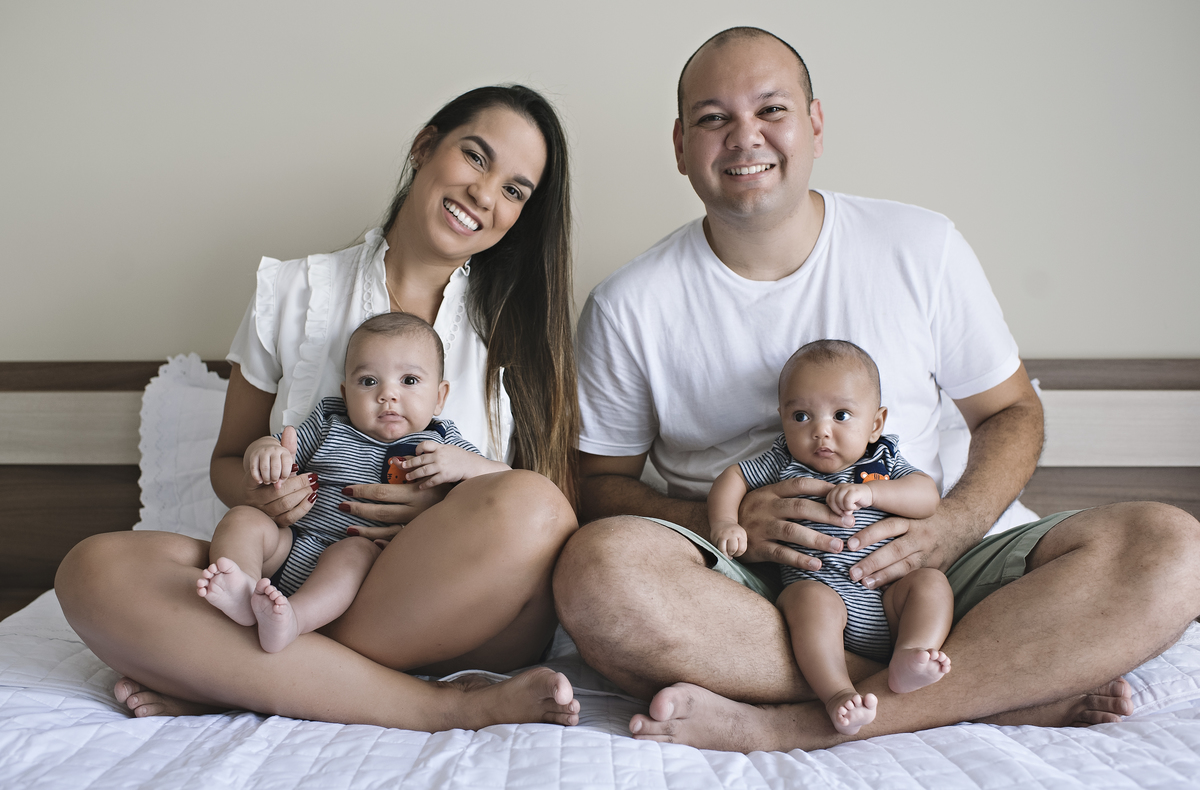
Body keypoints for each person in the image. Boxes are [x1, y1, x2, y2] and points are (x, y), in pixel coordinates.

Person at [554, 27, 1200, 752]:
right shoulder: (629, 304)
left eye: (771, 109)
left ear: (814, 123)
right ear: (681, 145)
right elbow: (597, 485)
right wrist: (719, 523)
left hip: (938, 570)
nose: (745, 136)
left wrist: (953, 524)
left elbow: (1011, 411)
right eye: (713, 118)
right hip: (751, 593)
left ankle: (796, 724)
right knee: (595, 572)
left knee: (1171, 546)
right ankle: (992, 690)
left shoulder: (920, 245)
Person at [56, 84, 584, 731]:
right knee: (94, 571)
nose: (484, 193)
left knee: (537, 508)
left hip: (444, 605)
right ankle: (391, 694)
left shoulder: (520, 331)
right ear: (424, 148)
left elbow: (534, 511)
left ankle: (236, 671)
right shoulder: (292, 290)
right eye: (476, 157)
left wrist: (446, 503)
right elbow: (229, 460)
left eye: (514, 190)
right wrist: (261, 494)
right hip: (298, 567)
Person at [198, 312, 510, 654]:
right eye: (368, 381)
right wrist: (264, 453)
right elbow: (274, 445)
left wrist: (470, 465)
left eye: (408, 380)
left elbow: (505, 485)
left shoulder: (442, 443)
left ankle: (293, 620)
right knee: (243, 518)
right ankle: (241, 589)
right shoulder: (329, 423)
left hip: (360, 572)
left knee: (354, 552)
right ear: (346, 394)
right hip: (290, 544)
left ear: (439, 396)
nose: (388, 394)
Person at [708, 340, 949, 736]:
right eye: (801, 416)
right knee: (805, 599)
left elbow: (926, 495)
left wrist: (873, 493)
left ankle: (911, 655)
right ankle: (837, 693)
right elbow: (733, 477)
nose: (820, 431)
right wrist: (724, 522)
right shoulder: (784, 460)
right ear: (783, 420)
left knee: (931, 583)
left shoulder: (883, 460)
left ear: (875, 424)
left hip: (889, 597)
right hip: (823, 594)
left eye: (841, 415)